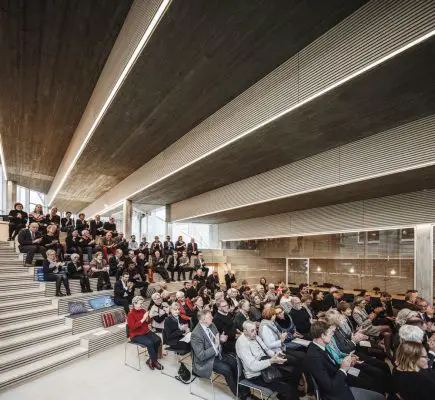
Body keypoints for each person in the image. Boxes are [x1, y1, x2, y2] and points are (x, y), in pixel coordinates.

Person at [303, 321, 384, 400]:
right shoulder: (314, 357)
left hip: (340, 378)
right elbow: (331, 387)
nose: (332, 336)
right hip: (338, 392)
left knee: (370, 381)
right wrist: (343, 369)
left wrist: (348, 364)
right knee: (378, 396)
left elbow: (332, 366)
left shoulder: (319, 347)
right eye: (330, 333)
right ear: (322, 336)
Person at [191, 310, 251, 400]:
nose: (212, 317)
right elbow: (201, 356)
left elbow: (217, 339)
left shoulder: (212, 325)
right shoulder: (196, 334)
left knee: (235, 362)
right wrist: (215, 346)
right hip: (207, 360)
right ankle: (240, 395)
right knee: (227, 369)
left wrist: (221, 340)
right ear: (202, 320)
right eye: (209, 316)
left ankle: (246, 392)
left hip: (218, 353)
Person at [236, 321, 298, 400]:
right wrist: (271, 361)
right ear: (245, 331)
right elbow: (252, 366)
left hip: (266, 367)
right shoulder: (242, 343)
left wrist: (275, 355)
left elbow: (266, 350)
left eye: (256, 329)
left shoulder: (255, 337)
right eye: (252, 330)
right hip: (255, 375)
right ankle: (286, 394)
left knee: (291, 375)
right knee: (288, 388)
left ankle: (283, 395)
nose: (255, 332)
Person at [127, 296, 163, 370]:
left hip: (145, 331)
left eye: (142, 303)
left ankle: (151, 359)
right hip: (136, 335)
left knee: (158, 339)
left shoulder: (143, 310)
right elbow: (133, 327)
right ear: (134, 304)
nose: (141, 305)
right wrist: (143, 319)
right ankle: (155, 361)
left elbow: (148, 322)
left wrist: (148, 318)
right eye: (140, 303)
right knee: (150, 343)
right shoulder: (130, 314)